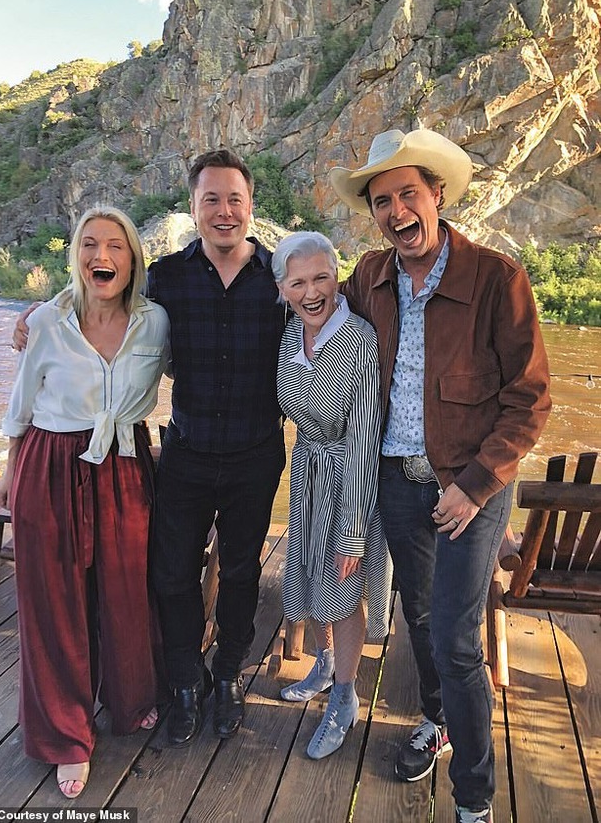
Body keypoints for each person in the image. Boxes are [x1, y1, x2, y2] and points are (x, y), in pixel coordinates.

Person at [330, 129, 551, 822]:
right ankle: (437, 719)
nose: (396, 211)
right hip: (399, 480)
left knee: (457, 641)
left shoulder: (497, 279)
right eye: (381, 201)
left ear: (438, 196)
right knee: (419, 616)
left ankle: (475, 800)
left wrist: (477, 485)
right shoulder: (369, 277)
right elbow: (309, 307)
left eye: (408, 194)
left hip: (472, 486)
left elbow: (530, 400)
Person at [0, 206, 170, 799]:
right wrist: (10, 470)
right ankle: (66, 736)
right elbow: (21, 402)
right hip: (52, 462)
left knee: (126, 591)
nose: (103, 256)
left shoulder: (156, 322)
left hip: (124, 464)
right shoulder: (47, 321)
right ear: (76, 257)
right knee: (55, 603)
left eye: (115, 246)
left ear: (132, 260)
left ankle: (130, 698)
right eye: (90, 244)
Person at [147, 149, 286, 745]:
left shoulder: (282, 276)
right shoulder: (164, 278)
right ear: (193, 206)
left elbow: (334, 315)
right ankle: (186, 680)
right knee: (172, 572)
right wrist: (42, 313)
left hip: (257, 452)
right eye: (212, 199)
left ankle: (228, 674)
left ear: (250, 205)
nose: (224, 211)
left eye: (234, 199)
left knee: (241, 571)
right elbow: (100, 305)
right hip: (187, 451)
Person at [272, 231, 392, 759]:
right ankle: (323, 666)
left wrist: (353, 531)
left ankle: (344, 698)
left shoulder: (359, 340)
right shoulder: (289, 337)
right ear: (283, 289)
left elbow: (365, 439)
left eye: (321, 277)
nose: (311, 292)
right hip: (308, 474)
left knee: (343, 591)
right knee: (312, 579)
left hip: (350, 480)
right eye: (298, 282)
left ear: (337, 278)